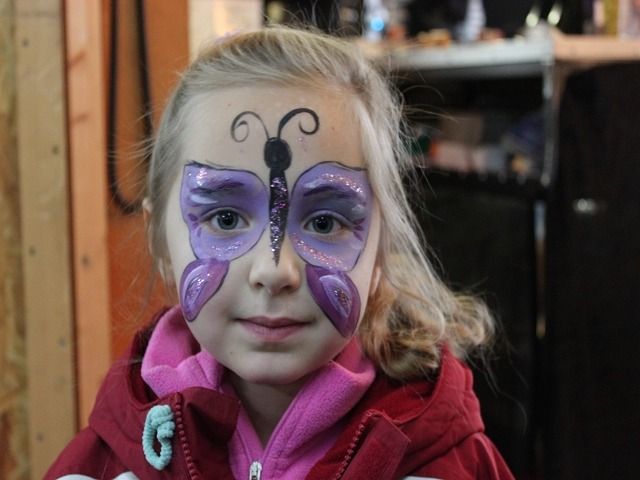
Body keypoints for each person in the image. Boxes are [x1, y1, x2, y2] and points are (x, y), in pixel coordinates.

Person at [46, 27, 514, 480]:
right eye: (225, 218)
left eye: (324, 223)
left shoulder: (451, 467)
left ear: (379, 254)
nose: (274, 271)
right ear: (161, 243)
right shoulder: (102, 469)